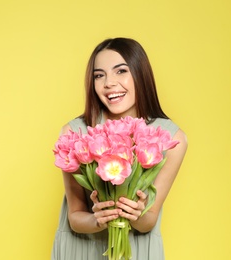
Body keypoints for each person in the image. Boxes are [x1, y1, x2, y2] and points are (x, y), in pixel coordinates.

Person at [51, 37, 188, 260]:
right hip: (82, 250)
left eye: (121, 71)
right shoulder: (75, 135)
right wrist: (97, 219)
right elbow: (75, 216)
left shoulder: (169, 138)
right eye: (99, 75)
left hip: (137, 252)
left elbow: (148, 222)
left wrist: (135, 214)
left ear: (140, 74)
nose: (109, 83)